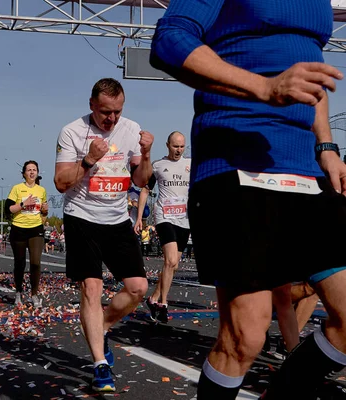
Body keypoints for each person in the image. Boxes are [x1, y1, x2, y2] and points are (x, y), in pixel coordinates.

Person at [151, 1, 346, 398]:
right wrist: (264, 86)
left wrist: (326, 145)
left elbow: (310, 70)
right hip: (234, 165)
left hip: (305, 169)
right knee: (246, 336)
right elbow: (168, 41)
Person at [54, 78, 154, 392]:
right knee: (91, 288)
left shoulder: (130, 128)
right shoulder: (72, 131)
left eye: (117, 112)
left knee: (138, 288)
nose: (111, 119)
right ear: (92, 106)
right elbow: (60, 182)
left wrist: (147, 154)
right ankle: (100, 365)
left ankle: (103, 325)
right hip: (82, 217)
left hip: (117, 219)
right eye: (105, 112)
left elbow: (141, 179)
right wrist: (89, 159)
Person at [134, 131, 190, 324]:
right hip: (165, 215)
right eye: (175, 146)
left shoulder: (191, 165)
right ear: (168, 145)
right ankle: (163, 304)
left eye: (182, 147)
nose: (179, 150)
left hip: (184, 219)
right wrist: (140, 217)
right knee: (170, 260)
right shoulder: (158, 166)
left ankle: (153, 298)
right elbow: (145, 190)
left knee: (173, 265)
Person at [5, 160, 49, 308]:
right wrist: (24, 203)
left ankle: (34, 294)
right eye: (29, 170)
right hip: (18, 228)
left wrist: (45, 209)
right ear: (24, 173)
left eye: (34, 170)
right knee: (20, 263)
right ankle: (18, 292)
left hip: (36, 228)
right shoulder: (17, 189)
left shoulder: (41, 190)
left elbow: (44, 212)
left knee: (35, 263)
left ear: (37, 172)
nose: (32, 172)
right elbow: (8, 209)